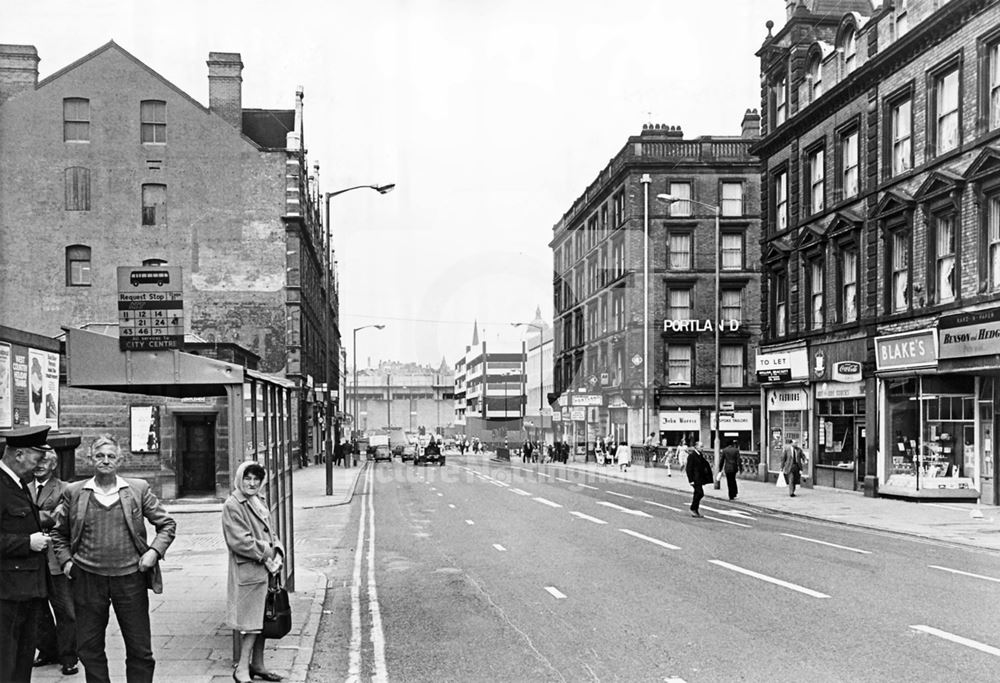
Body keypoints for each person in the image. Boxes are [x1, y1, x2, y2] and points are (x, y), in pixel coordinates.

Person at [51, 434, 176, 683]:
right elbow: (58, 532)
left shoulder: (137, 489)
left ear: (119, 460)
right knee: (89, 646)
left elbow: (167, 525)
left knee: (140, 648)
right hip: (87, 579)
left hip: (130, 579)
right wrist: (66, 562)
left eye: (110, 456)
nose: (105, 461)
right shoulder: (75, 492)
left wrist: (153, 552)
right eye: (100, 456)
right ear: (90, 459)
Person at [222, 461, 285, 683]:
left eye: (256, 479)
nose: (252, 483)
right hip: (249, 570)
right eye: (247, 478)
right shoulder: (233, 504)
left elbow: (272, 532)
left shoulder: (260, 501)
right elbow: (240, 542)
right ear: (240, 479)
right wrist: (268, 552)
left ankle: (258, 665)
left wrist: (278, 550)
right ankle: (241, 669)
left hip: (266, 570)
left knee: (262, 621)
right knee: (250, 624)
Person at [0, 425, 53, 683]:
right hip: (7, 593)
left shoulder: (17, 483)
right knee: (6, 663)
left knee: (22, 662)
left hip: (27, 589)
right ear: (19, 454)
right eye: (37, 455)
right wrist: (26, 543)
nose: (40, 462)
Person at [30, 450, 79, 676]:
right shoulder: (23, 486)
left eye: (45, 461)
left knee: (66, 611)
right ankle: (48, 651)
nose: (40, 465)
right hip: (29, 560)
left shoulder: (64, 488)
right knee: (37, 611)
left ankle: (69, 656)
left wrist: (27, 517)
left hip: (55, 560)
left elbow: (59, 519)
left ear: (54, 465)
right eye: (37, 461)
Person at [685, 440, 713, 517]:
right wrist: (690, 480)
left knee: (697, 493)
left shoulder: (700, 455)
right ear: (696, 447)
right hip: (695, 479)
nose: (702, 448)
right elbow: (688, 469)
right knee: (700, 493)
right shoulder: (692, 456)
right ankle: (693, 508)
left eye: (702, 446)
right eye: (701, 447)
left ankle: (695, 510)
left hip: (699, 478)